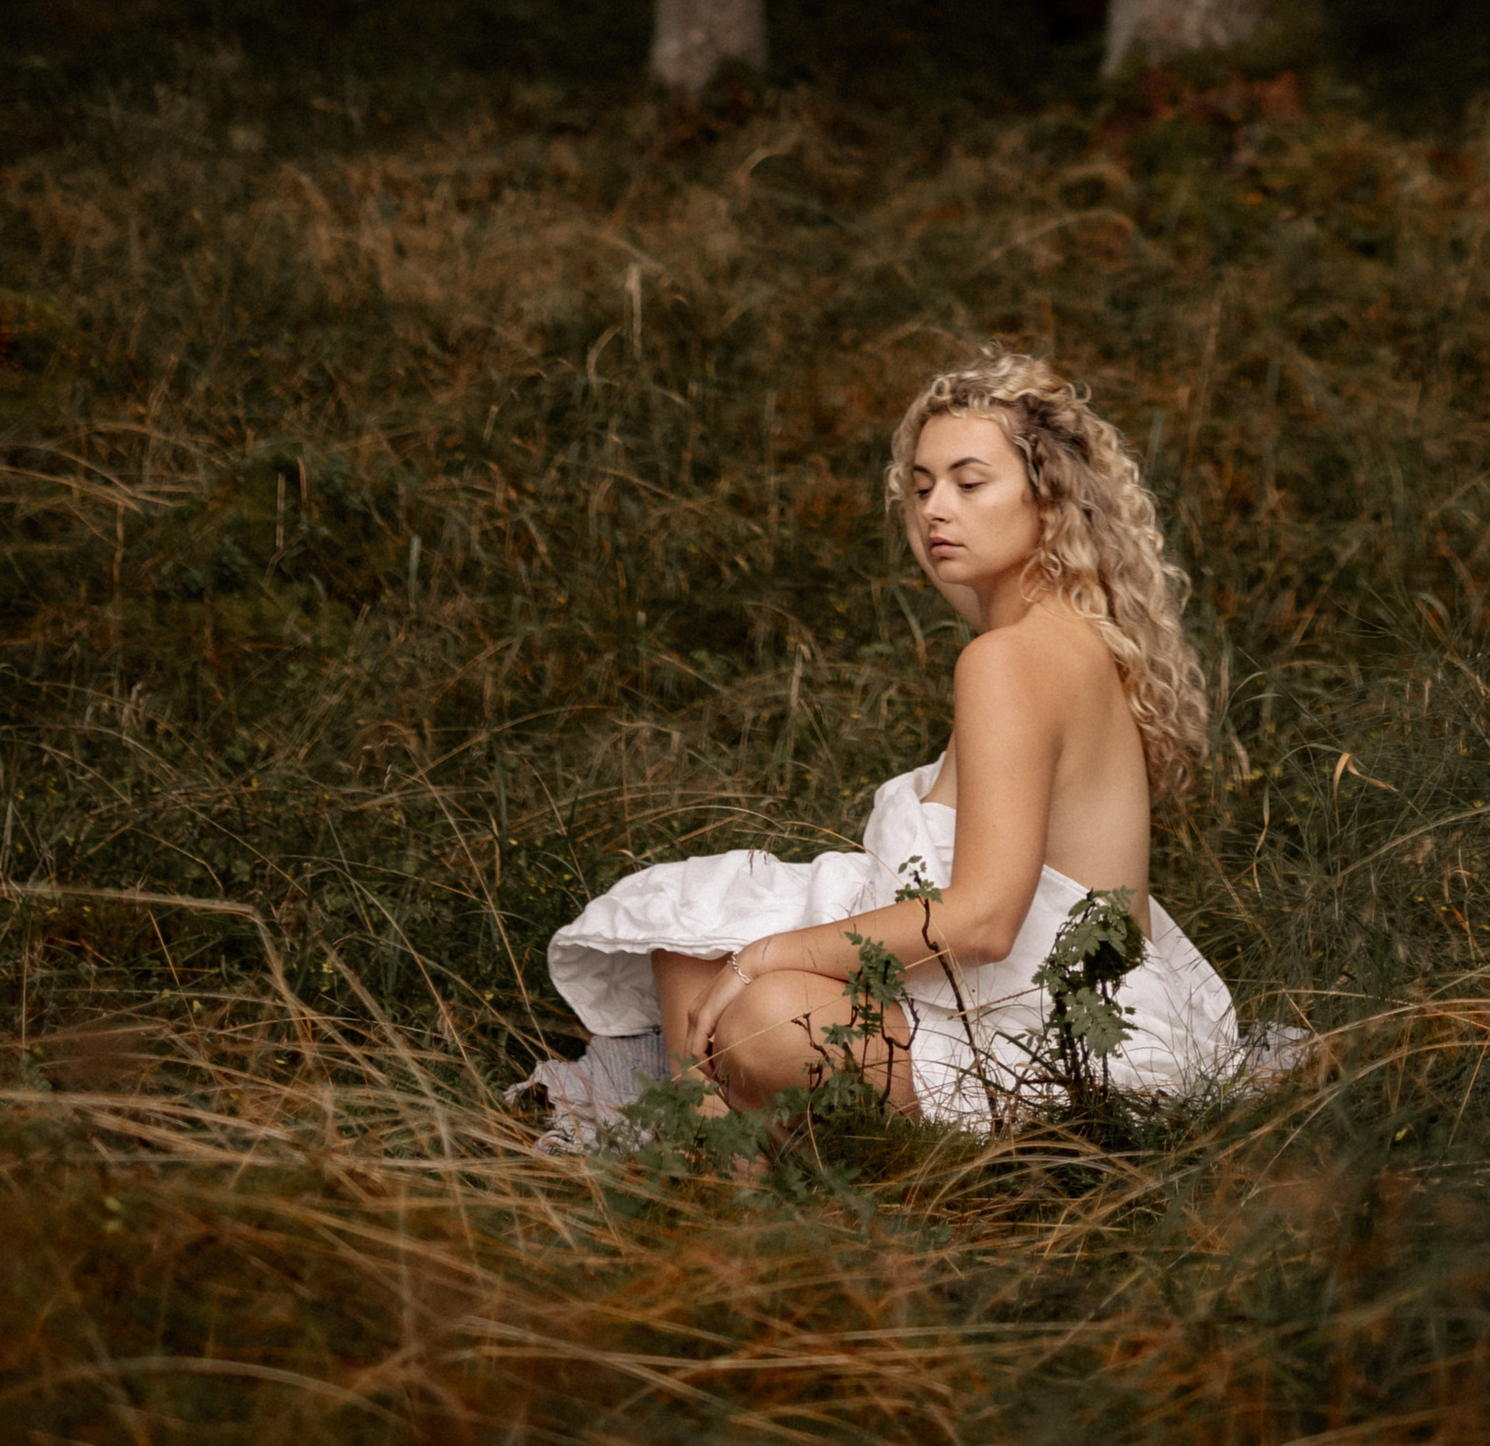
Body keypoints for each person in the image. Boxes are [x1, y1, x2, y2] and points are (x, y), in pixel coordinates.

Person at [532, 351, 1244, 1136]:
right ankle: (725, 1166)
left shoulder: (1006, 663)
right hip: (1081, 1011)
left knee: (759, 1015)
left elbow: (982, 923)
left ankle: (724, 1170)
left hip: (1067, 1042)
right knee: (686, 924)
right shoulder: (1064, 640)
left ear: (1051, 497)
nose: (937, 509)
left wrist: (763, 957)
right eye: (922, 486)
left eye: (970, 484)